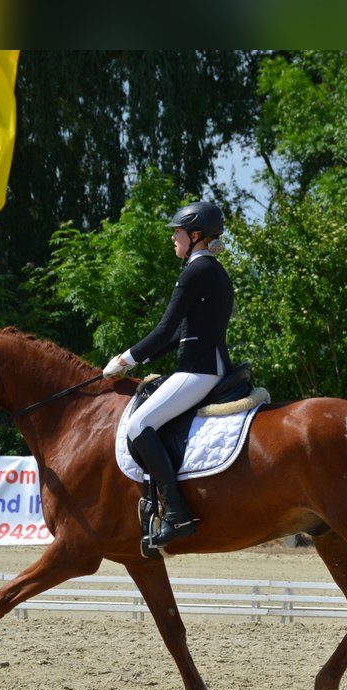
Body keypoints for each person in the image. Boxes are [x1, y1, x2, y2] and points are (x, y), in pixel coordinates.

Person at [103, 200, 234, 548]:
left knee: (138, 425)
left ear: (195, 235)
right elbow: (179, 334)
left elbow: (165, 330)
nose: (173, 239)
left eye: (177, 232)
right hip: (206, 364)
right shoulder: (210, 270)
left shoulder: (196, 271)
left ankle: (177, 513)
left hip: (199, 369)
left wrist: (125, 360)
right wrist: (137, 360)